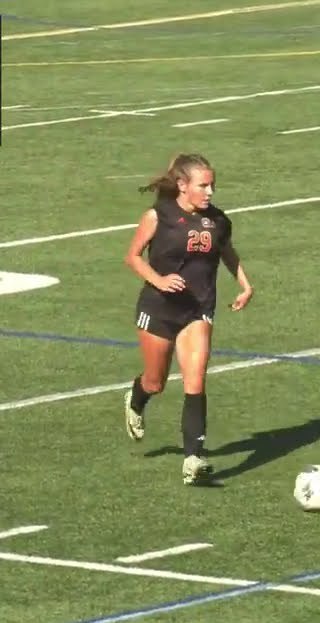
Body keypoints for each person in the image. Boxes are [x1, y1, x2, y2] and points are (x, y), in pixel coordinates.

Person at [122, 153, 254, 485]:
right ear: (182, 185)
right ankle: (137, 397)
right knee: (156, 382)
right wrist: (160, 280)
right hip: (160, 308)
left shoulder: (219, 221)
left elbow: (226, 251)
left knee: (195, 382)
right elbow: (132, 257)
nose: (210, 192)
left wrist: (245, 284)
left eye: (212, 185)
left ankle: (193, 459)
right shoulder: (158, 216)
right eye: (203, 185)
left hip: (199, 309)